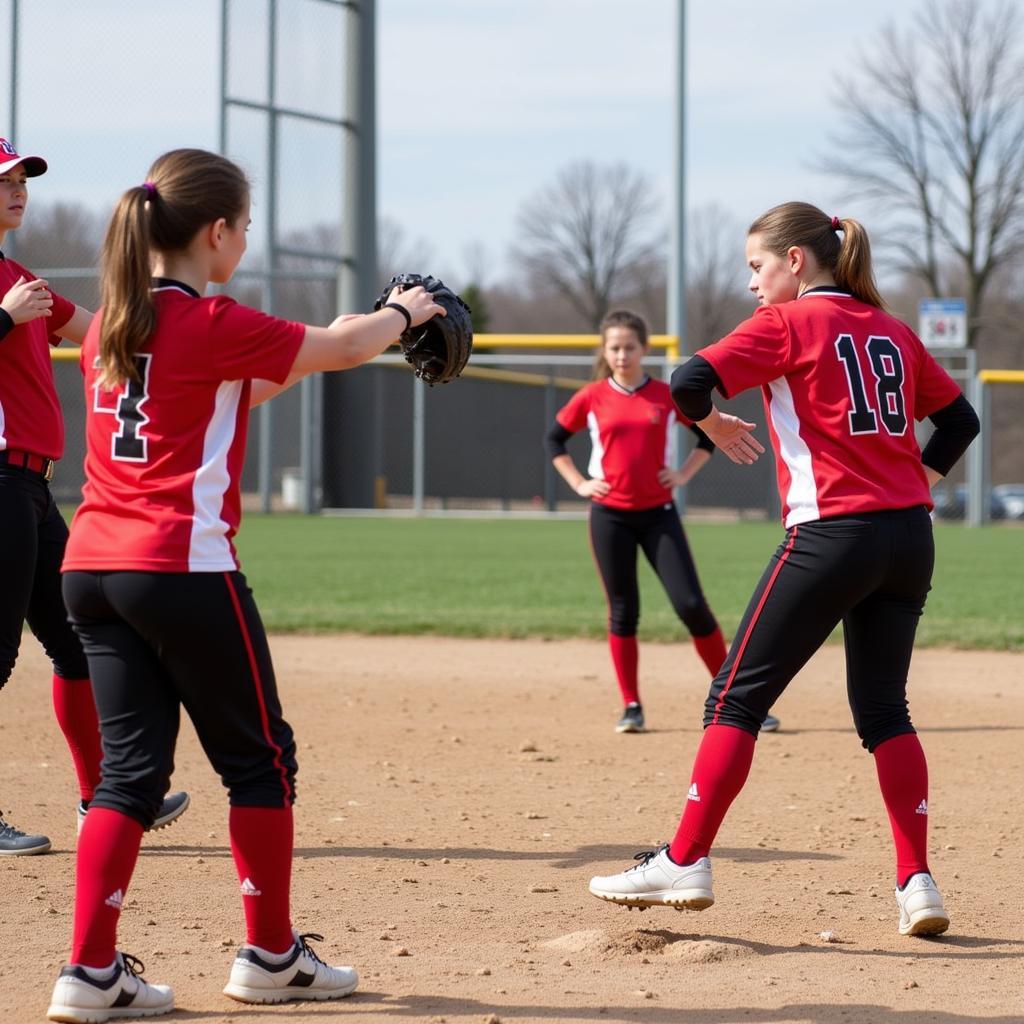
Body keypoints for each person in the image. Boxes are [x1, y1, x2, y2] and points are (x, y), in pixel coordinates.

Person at [45, 148, 444, 1023]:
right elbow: (338, 350)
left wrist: (349, 330)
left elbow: (238, 389)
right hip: (180, 566)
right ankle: (271, 955)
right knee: (259, 762)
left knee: (125, 779)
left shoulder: (116, 319)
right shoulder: (212, 318)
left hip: (91, 571)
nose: (245, 243)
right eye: (246, 229)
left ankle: (89, 970)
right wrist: (401, 312)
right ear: (217, 233)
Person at [587, 203, 980, 938]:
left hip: (833, 533)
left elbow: (687, 379)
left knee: (734, 698)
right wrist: (914, 484)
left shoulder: (789, 322)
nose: (752, 284)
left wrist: (708, 422)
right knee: (885, 710)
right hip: (908, 538)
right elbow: (962, 421)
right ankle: (916, 880)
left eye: (757, 267)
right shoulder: (891, 328)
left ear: (797, 262)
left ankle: (684, 858)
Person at [0, 138, 188, 857]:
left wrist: (182, 313)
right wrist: (6, 318)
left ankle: (100, 798)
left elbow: (104, 333)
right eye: (6, 180)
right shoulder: (13, 295)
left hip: (31, 486)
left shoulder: (20, 277)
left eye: (23, 178)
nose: (19, 189)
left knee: (78, 640)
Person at [544, 310, 779, 734]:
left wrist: (685, 473)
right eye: (614, 348)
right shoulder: (592, 396)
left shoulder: (664, 395)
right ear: (605, 351)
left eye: (629, 347)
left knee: (691, 606)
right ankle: (631, 705)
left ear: (644, 349)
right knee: (623, 611)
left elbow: (708, 433)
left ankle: (736, 701)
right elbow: (554, 439)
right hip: (609, 515)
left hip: (658, 514)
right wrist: (579, 482)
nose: (621, 355)